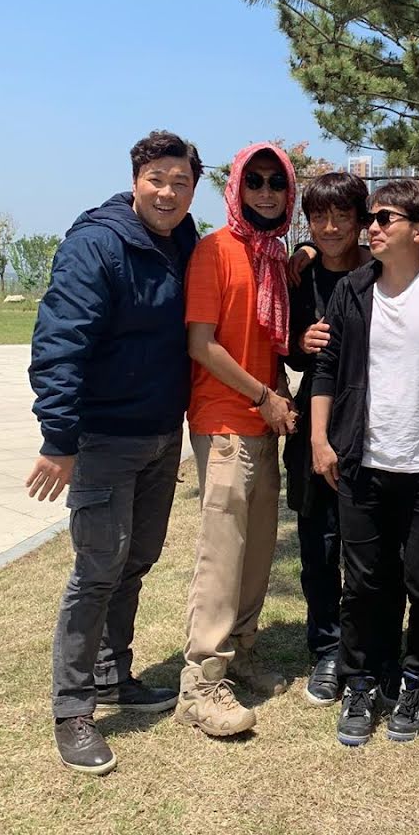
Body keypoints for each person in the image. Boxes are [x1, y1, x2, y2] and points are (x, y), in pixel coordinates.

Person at [27, 130, 201, 775]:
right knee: (97, 569)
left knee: (136, 559)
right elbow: (60, 340)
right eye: (157, 179)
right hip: (103, 438)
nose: (168, 193)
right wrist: (59, 439)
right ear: (135, 180)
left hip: (161, 434)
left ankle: (110, 673)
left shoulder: (182, 239)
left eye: (181, 182)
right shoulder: (96, 245)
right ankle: (72, 709)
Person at [311, 179, 419, 746]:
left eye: (385, 218)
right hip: (362, 463)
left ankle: (416, 678)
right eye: (372, 218)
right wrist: (320, 439)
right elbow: (326, 368)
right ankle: (361, 681)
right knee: (363, 583)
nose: (372, 227)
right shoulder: (352, 290)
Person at [177, 143, 298, 737]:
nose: (266, 192)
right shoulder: (215, 250)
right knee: (222, 555)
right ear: (237, 189)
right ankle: (200, 683)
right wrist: (263, 395)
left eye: (277, 182)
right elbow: (202, 345)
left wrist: (275, 398)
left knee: (256, 551)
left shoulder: (273, 255)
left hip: (262, 423)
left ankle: (241, 652)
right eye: (256, 181)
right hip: (225, 421)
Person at [283, 172, 406, 708]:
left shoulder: (383, 270)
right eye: (318, 217)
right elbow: (284, 349)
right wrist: (299, 341)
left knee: (375, 549)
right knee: (319, 547)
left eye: (342, 216)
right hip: (316, 426)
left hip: (376, 426)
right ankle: (328, 648)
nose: (330, 227)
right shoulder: (300, 276)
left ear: (361, 220)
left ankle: (375, 647)